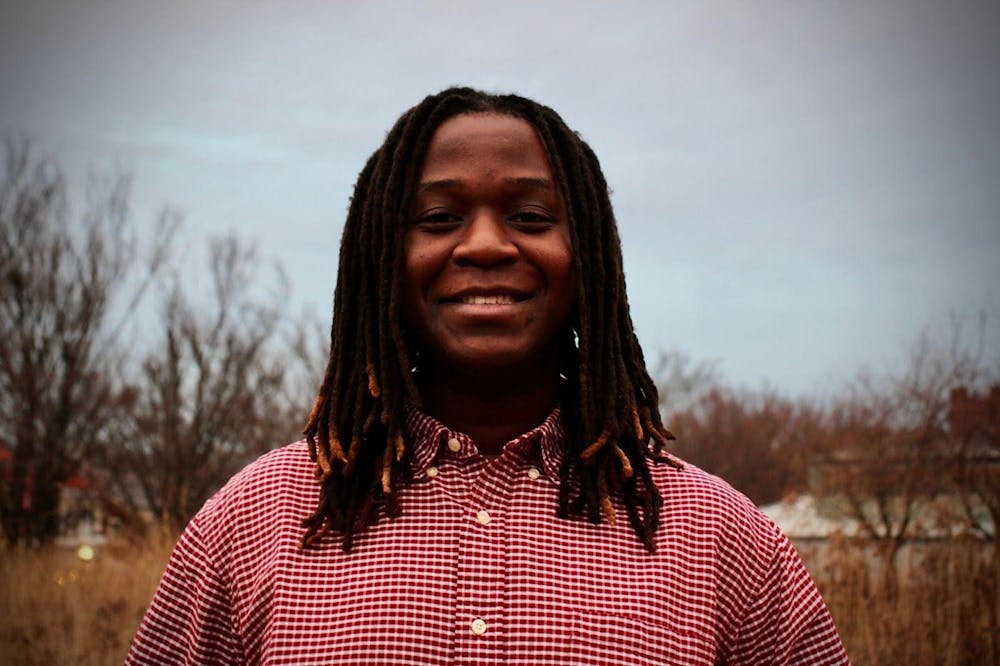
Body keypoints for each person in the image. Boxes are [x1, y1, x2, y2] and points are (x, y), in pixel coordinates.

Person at [127, 87, 849, 665]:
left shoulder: (721, 538)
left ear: (588, 258)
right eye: (438, 218)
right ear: (382, 259)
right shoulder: (253, 522)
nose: (483, 245)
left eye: (530, 217)